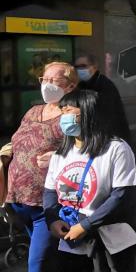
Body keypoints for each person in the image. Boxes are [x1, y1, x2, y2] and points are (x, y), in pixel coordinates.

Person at [43, 89, 136, 271]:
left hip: (110, 240)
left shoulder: (116, 148)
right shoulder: (61, 154)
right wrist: (53, 220)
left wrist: (86, 225)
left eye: (68, 110)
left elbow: (121, 195)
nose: (62, 117)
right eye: (62, 111)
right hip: (71, 239)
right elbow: (50, 191)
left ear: (87, 112)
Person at [6, 61, 78, 272]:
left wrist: (58, 157)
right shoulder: (33, 111)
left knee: (37, 265)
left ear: (70, 86)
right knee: (49, 262)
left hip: (46, 207)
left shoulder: (71, 115)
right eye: (44, 79)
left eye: (53, 80)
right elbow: (18, 142)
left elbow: (87, 152)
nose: (46, 85)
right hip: (19, 202)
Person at [75, 54, 130, 141]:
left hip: (109, 137)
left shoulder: (104, 85)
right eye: (77, 67)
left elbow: (106, 114)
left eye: (83, 66)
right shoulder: (82, 85)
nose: (80, 69)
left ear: (94, 66)